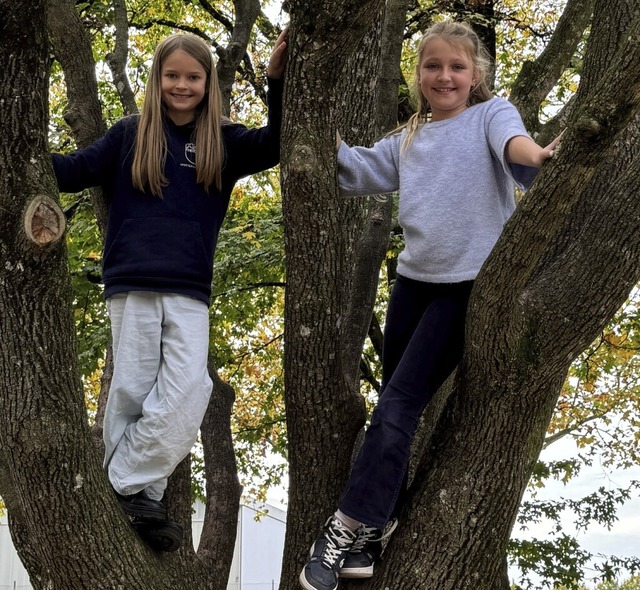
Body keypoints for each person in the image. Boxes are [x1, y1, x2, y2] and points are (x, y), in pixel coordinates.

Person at [299, 20, 561, 590]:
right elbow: (356, 168)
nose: (445, 76)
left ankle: (342, 530)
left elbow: (517, 150)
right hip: (413, 284)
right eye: (433, 66)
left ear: (476, 76)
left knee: (396, 407)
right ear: (418, 75)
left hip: (467, 287)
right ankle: (375, 529)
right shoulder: (409, 136)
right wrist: (301, 118)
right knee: (396, 409)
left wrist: (539, 155)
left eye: (457, 67)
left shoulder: (491, 116)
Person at [52, 29, 288, 551]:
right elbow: (69, 172)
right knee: (132, 392)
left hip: (189, 290)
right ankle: (145, 500)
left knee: (187, 392)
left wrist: (275, 79)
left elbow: (275, 144)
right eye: (172, 75)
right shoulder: (129, 134)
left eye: (193, 77)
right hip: (131, 284)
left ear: (209, 82)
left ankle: (117, 483)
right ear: (157, 79)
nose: (182, 85)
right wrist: (22, 155)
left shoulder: (222, 143)